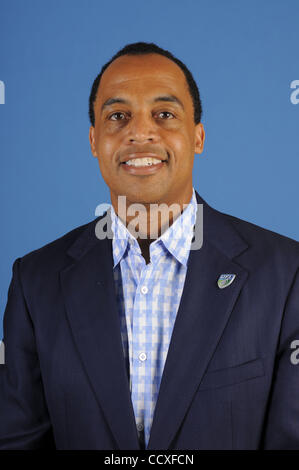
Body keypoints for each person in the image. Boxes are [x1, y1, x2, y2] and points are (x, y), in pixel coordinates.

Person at [1, 41, 299, 450]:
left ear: (198, 137)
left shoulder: (286, 274)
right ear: (94, 140)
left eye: (164, 114)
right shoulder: (34, 282)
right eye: (118, 116)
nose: (140, 133)